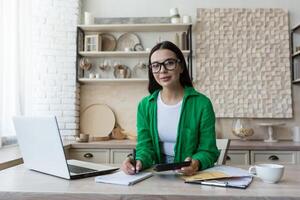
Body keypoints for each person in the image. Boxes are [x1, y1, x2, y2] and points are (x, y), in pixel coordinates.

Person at [121, 41, 219, 176]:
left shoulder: (202, 104)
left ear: (181, 67)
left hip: (190, 174)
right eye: (156, 65)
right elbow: (145, 147)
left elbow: (209, 151)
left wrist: (196, 162)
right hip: (156, 173)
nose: (162, 70)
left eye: (169, 63)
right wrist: (138, 161)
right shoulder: (145, 105)